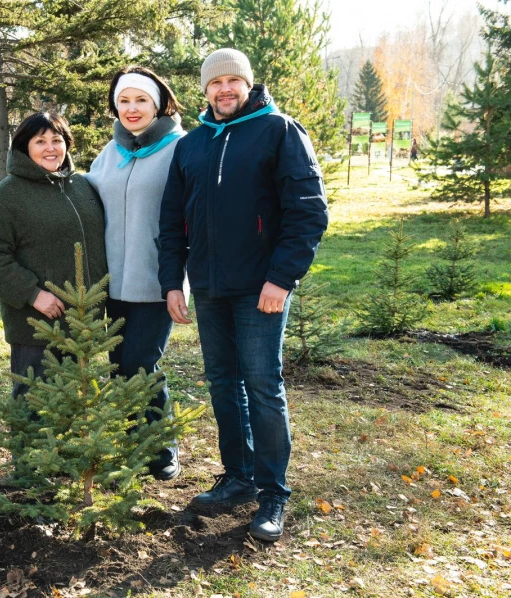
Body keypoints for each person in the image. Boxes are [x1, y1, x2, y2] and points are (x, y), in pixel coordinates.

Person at [157, 48, 328, 541]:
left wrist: (282, 279)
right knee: (222, 383)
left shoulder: (280, 131)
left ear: (249, 85)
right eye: (216, 82)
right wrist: (174, 281)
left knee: (262, 386)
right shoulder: (191, 146)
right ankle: (238, 477)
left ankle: (273, 493)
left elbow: (308, 212)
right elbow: (172, 222)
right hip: (209, 288)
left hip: (261, 291)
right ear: (205, 90)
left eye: (234, 80)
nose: (225, 89)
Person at [84, 66, 186, 481]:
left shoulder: (181, 149)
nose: (131, 108)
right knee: (118, 364)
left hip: (155, 279)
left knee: (142, 364)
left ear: (159, 103)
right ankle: (132, 443)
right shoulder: (109, 153)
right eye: (123, 100)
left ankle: (162, 450)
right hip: (110, 282)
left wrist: (178, 279)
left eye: (140, 100)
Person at [0, 113, 107, 407]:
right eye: (40, 141)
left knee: (80, 409)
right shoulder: (7, 196)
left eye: (57, 140)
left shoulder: (81, 186)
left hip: (84, 324)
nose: (51, 148)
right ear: (24, 147)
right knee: (35, 409)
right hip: (37, 325)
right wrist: (32, 294)